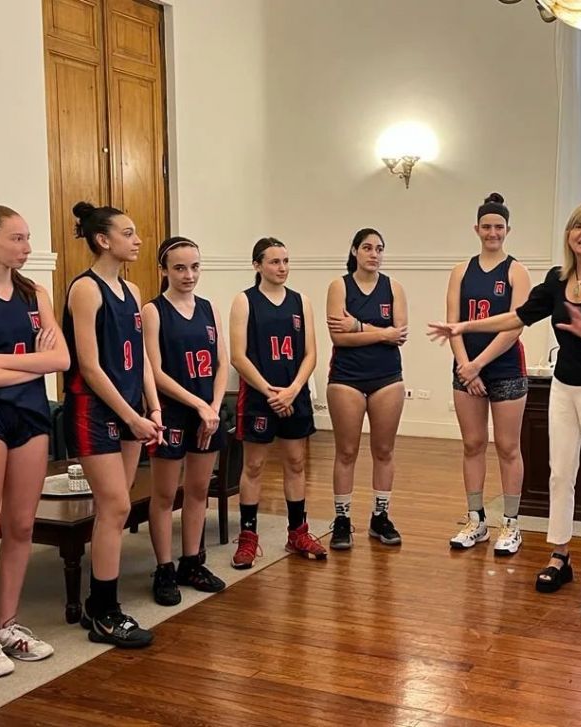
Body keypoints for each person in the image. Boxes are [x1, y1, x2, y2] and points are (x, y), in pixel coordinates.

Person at [429, 203, 581, 617]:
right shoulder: (557, 280)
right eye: (577, 227)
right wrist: (463, 327)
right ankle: (559, 555)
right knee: (559, 474)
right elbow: (517, 317)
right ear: (568, 235)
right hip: (565, 386)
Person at [0, 204, 69, 677]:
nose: (27, 247)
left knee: (22, 525)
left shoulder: (34, 293)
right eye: (17, 238)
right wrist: (30, 361)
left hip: (30, 414)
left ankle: (7, 624)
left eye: (28, 238)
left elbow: (61, 360)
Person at [63, 201, 163, 648]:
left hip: (130, 409)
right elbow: (88, 365)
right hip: (95, 409)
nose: (137, 240)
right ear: (103, 240)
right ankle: (105, 613)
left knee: (114, 511)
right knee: (117, 506)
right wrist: (130, 415)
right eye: (128, 233)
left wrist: (152, 408)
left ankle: (97, 602)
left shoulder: (132, 289)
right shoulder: (86, 289)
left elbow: (140, 357)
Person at [142, 237, 228, 605]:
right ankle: (164, 567)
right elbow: (155, 371)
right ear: (163, 270)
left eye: (194, 267)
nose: (188, 274)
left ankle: (191, 562)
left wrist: (214, 407)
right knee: (165, 494)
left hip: (207, 412)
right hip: (174, 412)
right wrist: (198, 405)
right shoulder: (153, 310)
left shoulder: (209, 309)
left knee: (198, 490)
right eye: (179, 268)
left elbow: (222, 363)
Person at [229, 237, 324, 567]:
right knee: (254, 466)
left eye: (285, 261)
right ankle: (248, 537)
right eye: (274, 261)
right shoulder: (245, 301)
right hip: (260, 397)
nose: (282, 267)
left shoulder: (301, 301)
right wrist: (271, 392)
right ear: (257, 265)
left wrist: (293, 389)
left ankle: (297, 532)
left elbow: (311, 353)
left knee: (296, 462)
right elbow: (238, 356)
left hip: (294, 395)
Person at [444, 194, 530, 555]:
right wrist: (466, 367)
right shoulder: (461, 270)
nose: (492, 232)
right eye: (486, 226)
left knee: (508, 447)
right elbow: (453, 324)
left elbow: (515, 325)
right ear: (476, 229)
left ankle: (511, 523)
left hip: (505, 369)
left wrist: (478, 364)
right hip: (466, 369)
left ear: (508, 230)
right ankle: (476, 519)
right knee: (472, 444)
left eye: (498, 227)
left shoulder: (516, 271)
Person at [325, 228, 407, 549]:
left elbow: (399, 335)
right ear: (355, 251)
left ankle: (380, 517)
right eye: (368, 248)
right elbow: (339, 337)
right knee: (346, 451)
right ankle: (342, 520)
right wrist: (382, 333)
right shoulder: (339, 286)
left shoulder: (394, 287)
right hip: (347, 377)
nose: (374, 254)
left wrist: (358, 326)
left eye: (379, 249)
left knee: (384, 450)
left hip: (387, 377)